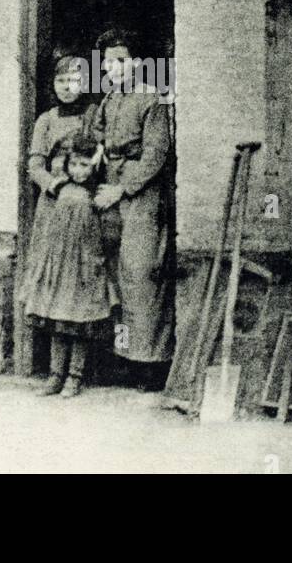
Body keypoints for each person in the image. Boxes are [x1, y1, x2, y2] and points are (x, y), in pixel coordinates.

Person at [90, 28, 175, 391]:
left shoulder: (151, 100)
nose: (115, 67)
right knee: (117, 279)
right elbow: (99, 139)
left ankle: (151, 364)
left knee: (142, 276)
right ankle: (124, 358)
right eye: (109, 62)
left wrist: (123, 188)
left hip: (140, 195)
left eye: (122, 61)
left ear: (137, 64)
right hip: (111, 188)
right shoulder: (108, 101)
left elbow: (156, 154)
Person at [20, 133, 113, 397]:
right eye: (74, 165)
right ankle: (55, 375)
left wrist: (96, 259)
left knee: (79, 323)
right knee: (58, 321)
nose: (78, 171)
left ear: (94, 166)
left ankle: (74, 376)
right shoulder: (59, 189)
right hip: (60, 265)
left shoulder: (97, 195)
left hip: (84, 267)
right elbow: (49, 225)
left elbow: (106, 232)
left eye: (85, 165)